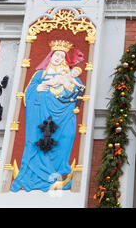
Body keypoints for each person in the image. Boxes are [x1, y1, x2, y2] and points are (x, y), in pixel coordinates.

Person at [10, 40, 84, 192]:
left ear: (65, 59)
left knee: (66, 137)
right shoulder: (40, 74)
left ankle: (58, 173)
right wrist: (37, 88)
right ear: (50, 56)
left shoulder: (69, 75)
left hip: (63, 116)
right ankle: (35, 175)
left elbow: (78, 92)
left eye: (61, 56)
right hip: (41, 115)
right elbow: (29, 92)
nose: (57, 58)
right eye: (55, 54)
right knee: (38, 140)